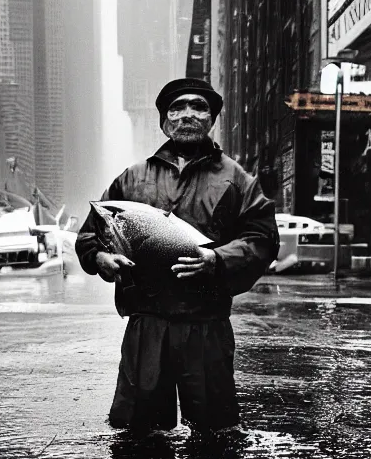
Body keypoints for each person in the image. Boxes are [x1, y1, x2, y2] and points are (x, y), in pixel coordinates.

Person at [75, 78, 279, 434]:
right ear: (165, 121)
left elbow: (262, 238)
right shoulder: (132, 178)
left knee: (215, 435)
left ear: (211, 119)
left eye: (198, 107)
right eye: (177, 108)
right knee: (139, 432)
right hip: (147, 324)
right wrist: (101, 260)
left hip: (206, 325)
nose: (188, 115)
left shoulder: (238, 180)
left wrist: (218, 259)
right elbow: (91, 233)